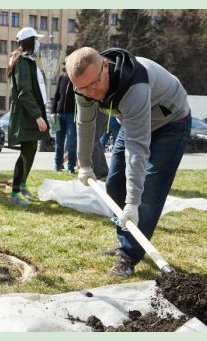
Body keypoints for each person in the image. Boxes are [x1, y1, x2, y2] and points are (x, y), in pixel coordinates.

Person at [67, 47, 192, 277]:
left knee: (148, 193)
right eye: (82, 88)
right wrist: (84, 164)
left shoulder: (134, 83)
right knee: (114, 183)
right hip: (135, 120)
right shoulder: (83, 87)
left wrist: (133, 203)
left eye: (94, 84)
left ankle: (128, 256)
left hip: (171, 122)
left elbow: (137, 149)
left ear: (105, 65)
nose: (91, 92)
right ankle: (126, 242)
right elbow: (84, 125)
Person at [6, 27, 49, 205]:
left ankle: (22, 185)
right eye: (36, 40)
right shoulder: (22, 63)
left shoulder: (28, 61)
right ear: (30, 42)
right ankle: (15, 194)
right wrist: (38, 116)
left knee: (31, 151)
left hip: (30, 114)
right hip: (26, 115)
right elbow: (24, 92)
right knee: (25, 153)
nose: (38, 43)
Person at [51, 70, 76, 173]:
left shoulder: (77, 79)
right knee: (58, 142)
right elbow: (57, 95)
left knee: (71, 143)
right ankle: (58, 165)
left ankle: (71, 167)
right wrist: (53, 112)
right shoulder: (62, 77)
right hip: (59, 115)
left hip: (72, 115)